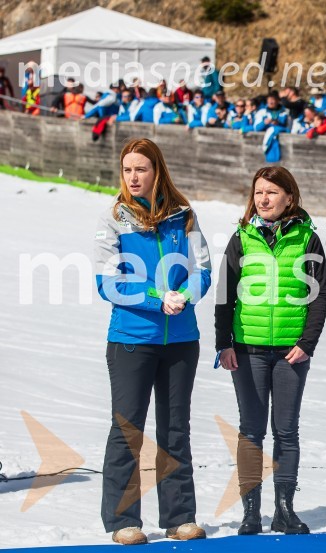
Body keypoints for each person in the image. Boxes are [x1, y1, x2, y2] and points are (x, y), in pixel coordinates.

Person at [94, 138, 211, 544]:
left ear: (157, 170)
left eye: (140, 169)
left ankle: (179, 518)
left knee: (176, 428)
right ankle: (123, 520)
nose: (133, 177)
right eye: (127, 170)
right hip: (131, 339)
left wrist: (185, 296)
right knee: (128, 428)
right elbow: (108, 283)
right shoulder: (113, 218)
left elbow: (203, 270)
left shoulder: (184, 215)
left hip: (181, 340)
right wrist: (157, 297)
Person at [214, 167, 326, 536]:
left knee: (286, 431)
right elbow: (224, 295)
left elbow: (320, 295)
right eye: (259, 192)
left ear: (289, 198)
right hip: (246, 350)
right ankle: (251, 512)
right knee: (251, 431)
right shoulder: (242, 238)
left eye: (272, 193)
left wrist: (306, 342)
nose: (264, 199)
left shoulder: (307, 238)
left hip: (289, 352)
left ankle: (283, 509)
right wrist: (223, 344)